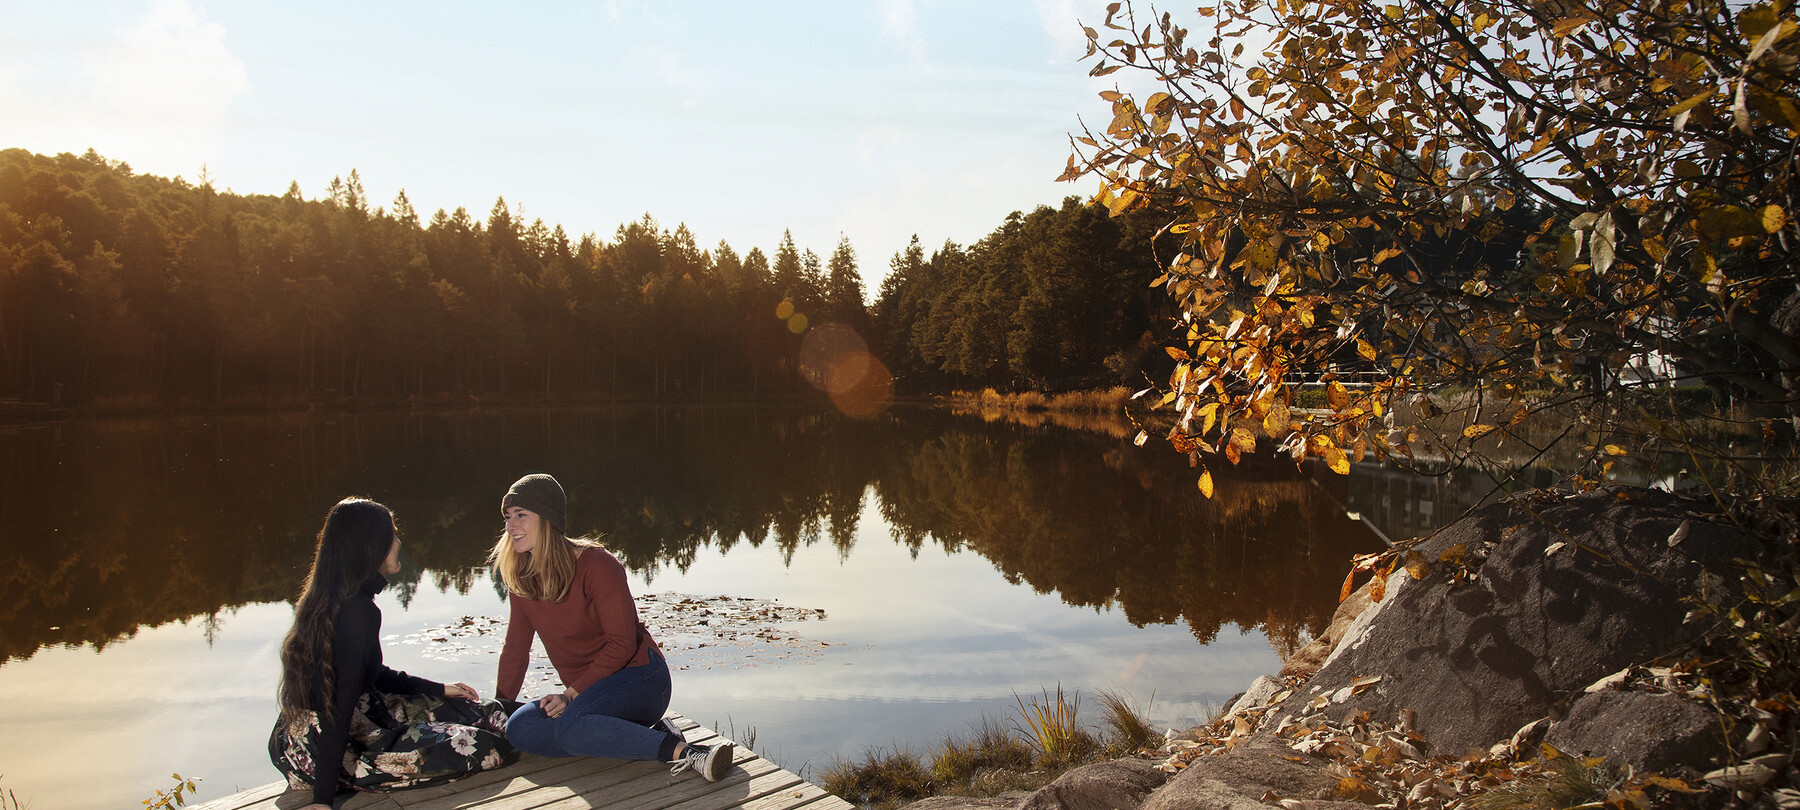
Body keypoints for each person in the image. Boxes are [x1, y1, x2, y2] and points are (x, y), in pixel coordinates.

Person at [270, 498, 515, 809]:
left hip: (343, 722)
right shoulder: (356, 611)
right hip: (336, 746)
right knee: (481, 746)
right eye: (393, 534)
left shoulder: (334, 597)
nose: (399, 542)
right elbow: (338, 706)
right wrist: (323, 800)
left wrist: (440, 689)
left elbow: (372, 673)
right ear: (369, 546)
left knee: (493, 712)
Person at [490, 473, 733, 781]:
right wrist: (498, 709)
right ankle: (627, 734)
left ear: (548, 519)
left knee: (570, 726)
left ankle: (687, 753)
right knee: (520, 728)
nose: (511, 526)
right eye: (508, 517)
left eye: (521, 515)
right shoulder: (522, 580)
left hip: (641, 679)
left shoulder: (597, 566)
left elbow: (621, 645)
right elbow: (515, 650)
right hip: (586, 697)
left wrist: (570, 694)